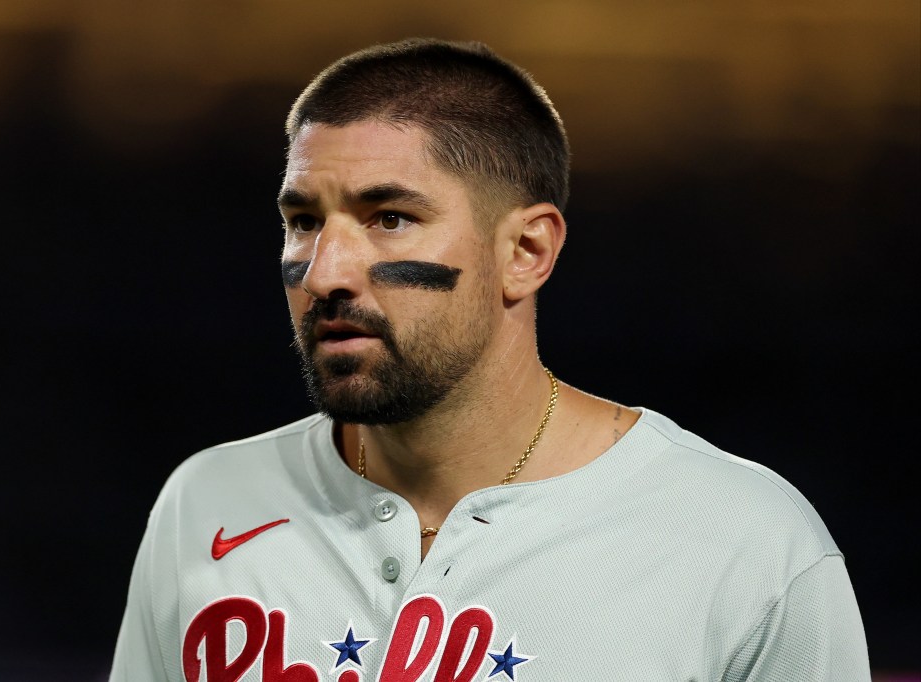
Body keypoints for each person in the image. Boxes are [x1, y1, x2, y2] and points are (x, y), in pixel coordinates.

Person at [110, 38, 869, 681]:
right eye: (304, 221)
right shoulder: (206, 502)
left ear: (526, 251)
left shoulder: (745, 544)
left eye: (391, 218)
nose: (325, 270)